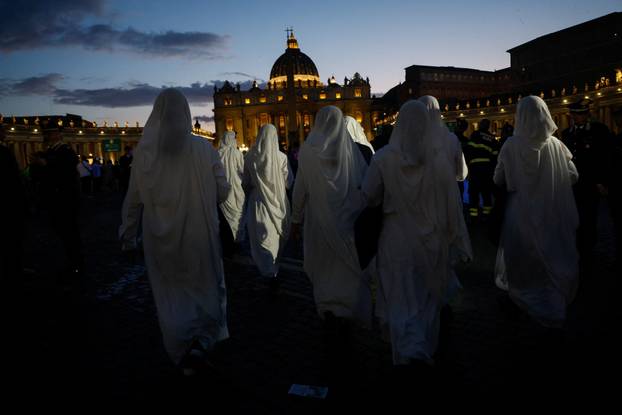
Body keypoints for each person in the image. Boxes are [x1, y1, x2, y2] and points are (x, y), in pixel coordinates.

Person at [119, 88, 231, 375]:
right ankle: (202, 342)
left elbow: (132, 202)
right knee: (202, 286)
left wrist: (127, 237)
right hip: (199, 233)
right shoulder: (204, 149)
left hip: (160, 239)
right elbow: (222, 192)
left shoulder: (144, 155)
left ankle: (182, 345)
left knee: (172, 293)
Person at [361, 100, 471, 366]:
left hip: (396, 237)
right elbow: (452, 195)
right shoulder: (439, 160)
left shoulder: (384, 157)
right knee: (425, 297)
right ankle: (421, 343)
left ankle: (408, 347)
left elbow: (369, 196)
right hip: (431, 238)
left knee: (400, 294)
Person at [494, 96, 579, 328]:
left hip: (520, 211)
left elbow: (498, 178)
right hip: (552, 208)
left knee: (524, 255)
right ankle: (553, 293)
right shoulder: (556, 144)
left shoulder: (511, 145)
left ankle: (526, 292)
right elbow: (574, 176)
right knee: (552, 249)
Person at [291, 105, 371, 331]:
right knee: (345, 265)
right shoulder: (351, 150)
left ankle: (328, 306)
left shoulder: (307, 150)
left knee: (324, 264)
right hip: (348, 218)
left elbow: (300, 189)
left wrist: (296, 220)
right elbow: (367, 185)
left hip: (319, 220)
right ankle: (346, 307)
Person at [561, 98, 612, 264]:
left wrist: (602, 181)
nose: (576, 117)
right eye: (574, 114)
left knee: (589, 217)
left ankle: (588, 249)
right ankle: (578, 246)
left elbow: (605, 157)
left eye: (580, 114)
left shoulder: (599, 131)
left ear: (587, 114)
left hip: (591, 183)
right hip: (572, 185)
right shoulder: (567, 134)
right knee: (574, 217)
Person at [30, 125, 83, 285]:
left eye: (50, 132)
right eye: (47, 133)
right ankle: (72, 260)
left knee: (68, 230)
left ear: (58, 135)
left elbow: (65, 172)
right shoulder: (51, 151)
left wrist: (45, 164)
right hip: (55, 198)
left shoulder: (65, 151)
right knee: (62, 230)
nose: (47, 135)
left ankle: (75, 262)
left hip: (64, 198)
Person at [243, 124, 293, 289]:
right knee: (275, 237)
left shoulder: (250, 156)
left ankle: (269, 270)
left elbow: (246, 182)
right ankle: (274, 268)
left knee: (262, 238)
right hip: (278, 201)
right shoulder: (282, 158)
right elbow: (288, 183)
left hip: (258, 203)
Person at [0, 124, 27, 281]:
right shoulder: (4, 153)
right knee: (12, 239)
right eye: (3, 131)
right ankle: (14, 270)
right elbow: (14, 181)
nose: (6, 133)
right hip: (8, 204)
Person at [464, 119, 499, 220]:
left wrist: (469, 164)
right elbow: (495, 156)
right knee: (486, 193)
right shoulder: (493, 139)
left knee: (473, 193)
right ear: (488, 127)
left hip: (475, 169)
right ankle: (487, 215)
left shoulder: (475, 134)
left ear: (481, 125)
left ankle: (473, 216)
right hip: (487, 170)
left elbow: (468, 150)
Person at [218, 130, 246, 242]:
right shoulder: (237, 153)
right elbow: (243, 170)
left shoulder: (218, 153)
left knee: (226, 217)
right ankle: (238, 238)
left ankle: (229, 239)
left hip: (223, 189)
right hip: (237, 189)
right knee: (239, 214)